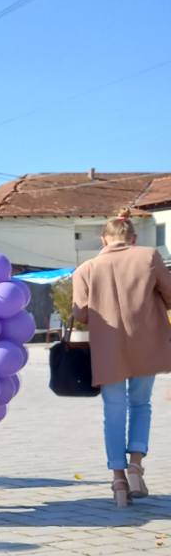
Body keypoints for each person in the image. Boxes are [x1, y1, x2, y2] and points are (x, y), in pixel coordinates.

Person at [72, 212, 171, 507]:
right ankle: (136, 466)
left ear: (104, 239)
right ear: (133, 238)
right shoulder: (149, 256)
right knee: (141, 404)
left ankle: (118, 480)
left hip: (108, 350)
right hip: (146, 345)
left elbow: (80, 314)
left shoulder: (86, 269)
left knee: (113, 411)